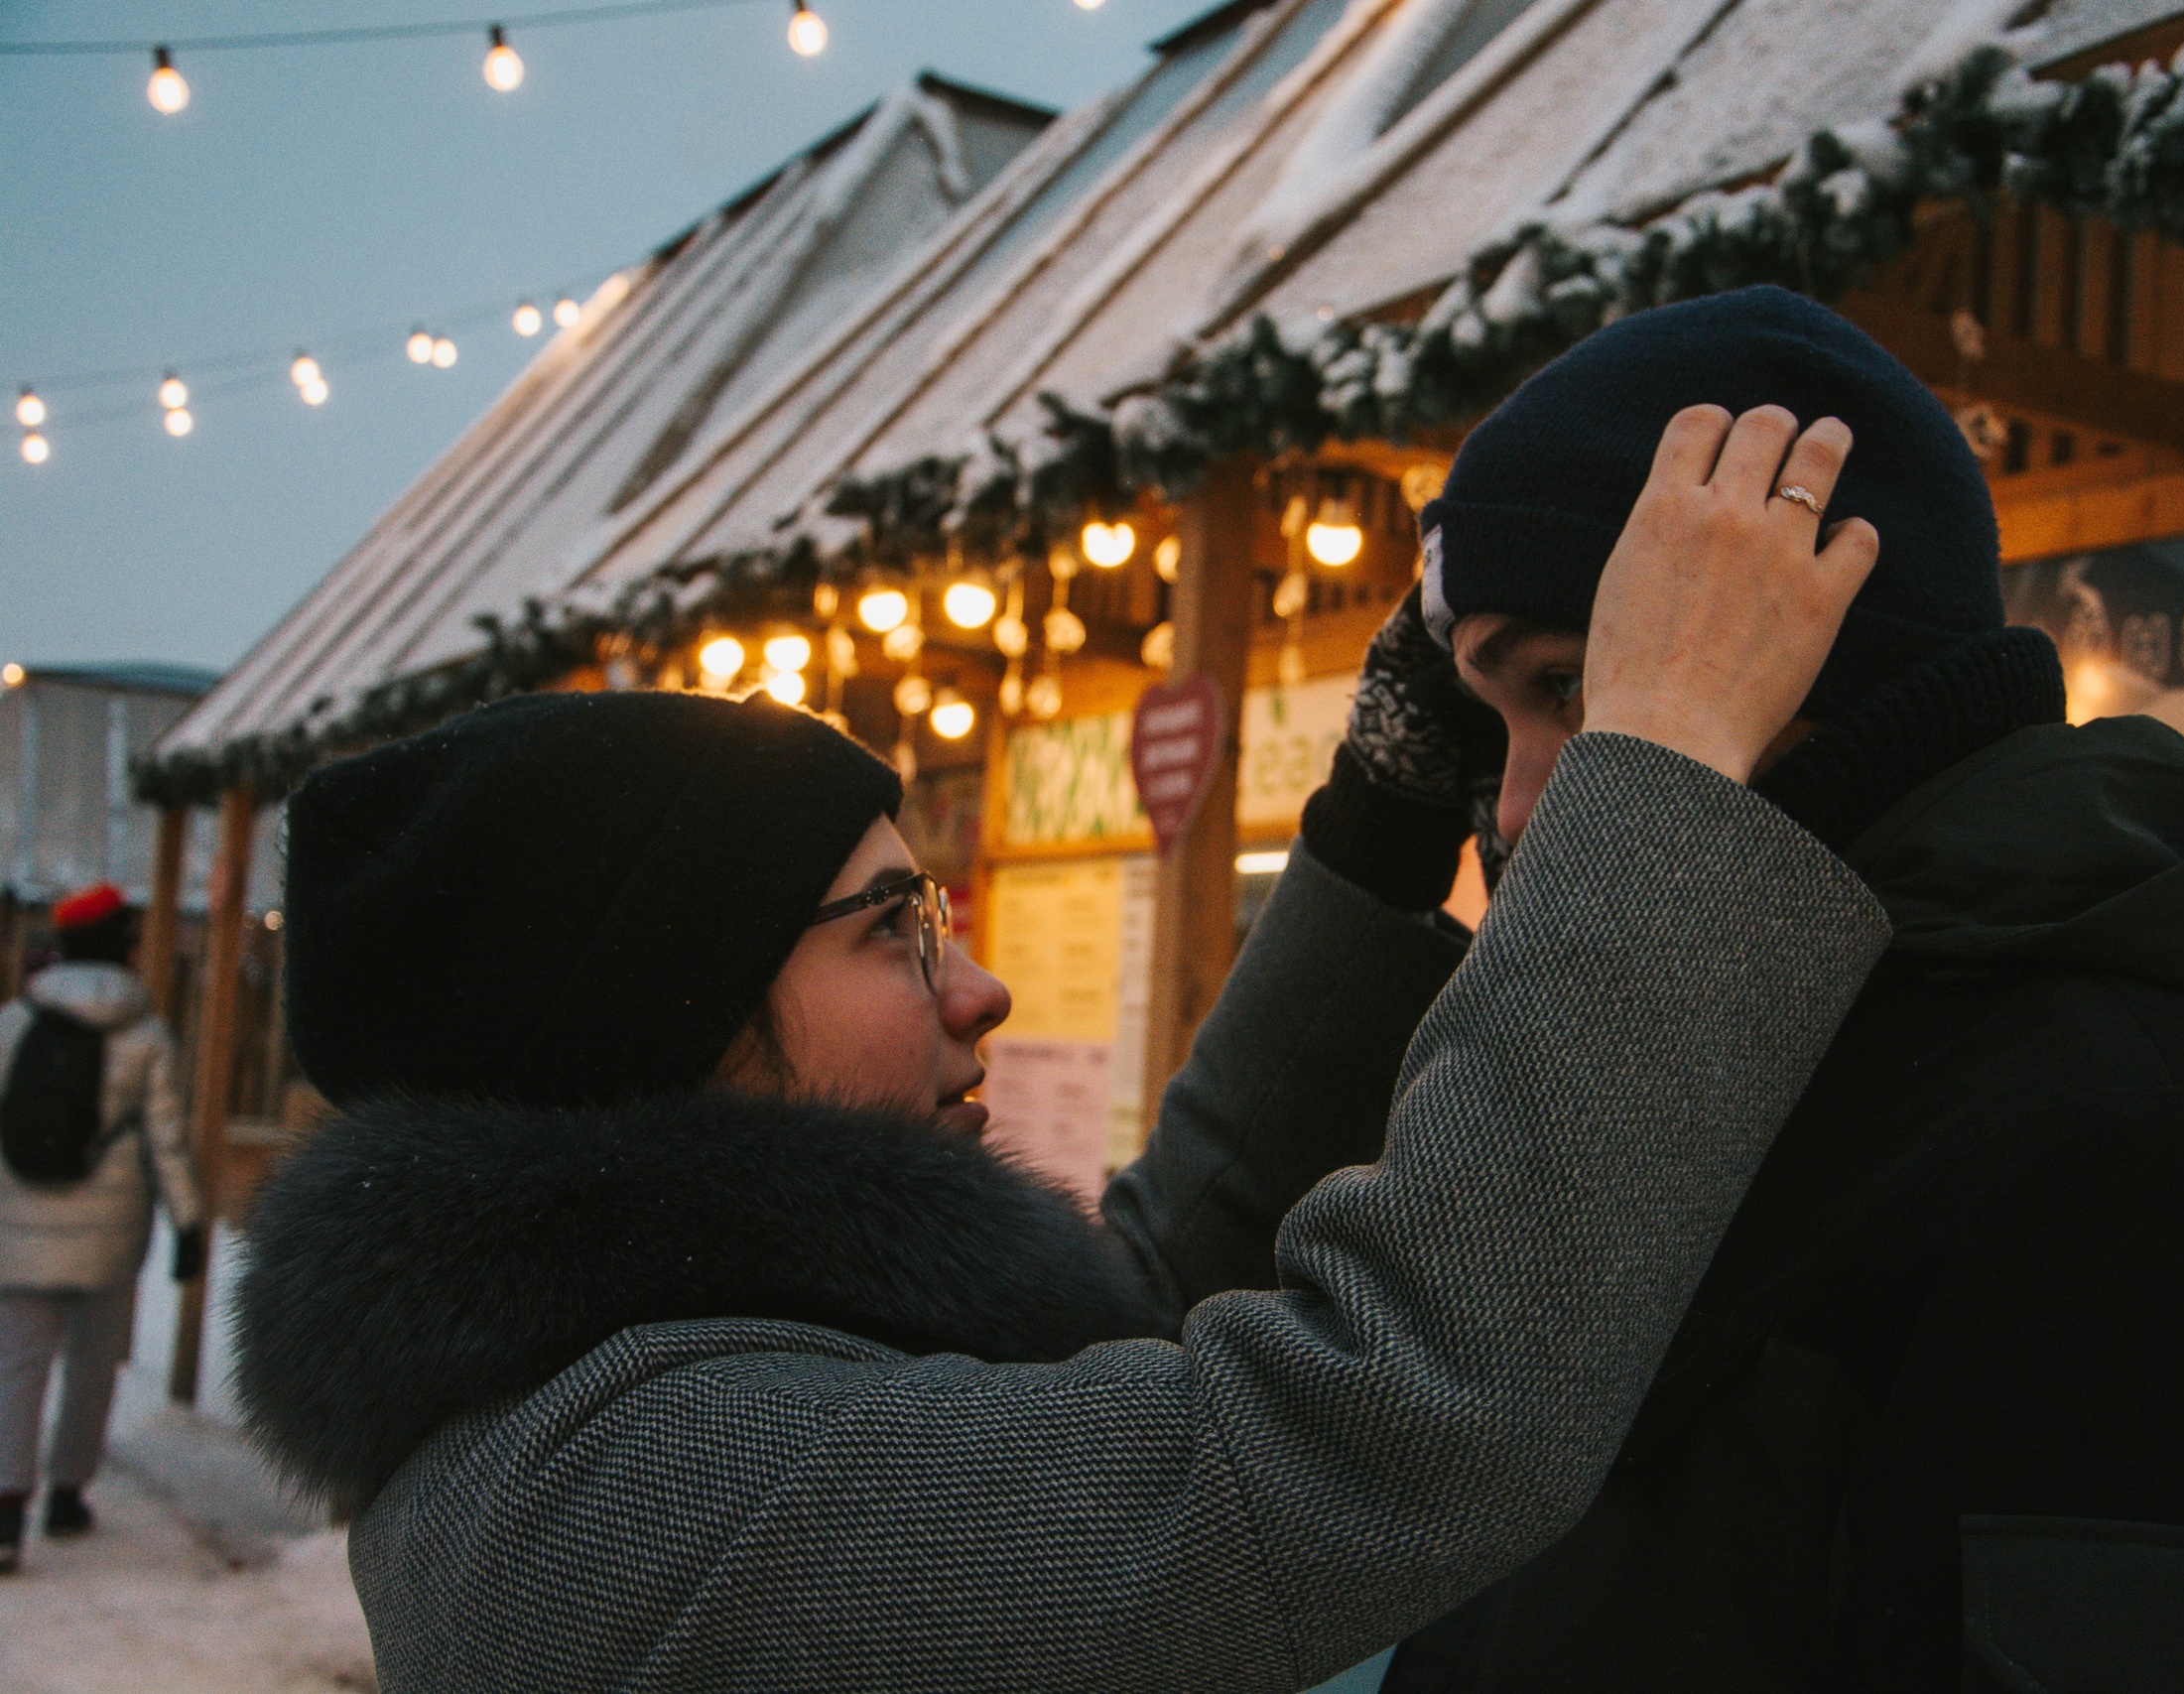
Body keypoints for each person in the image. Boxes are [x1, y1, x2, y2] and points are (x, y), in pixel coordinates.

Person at [232, 401, 1892, 1694]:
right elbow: (1367, 1430)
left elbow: (1136, 1285)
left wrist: (1381, 822)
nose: (981, 995)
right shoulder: (640, 1493)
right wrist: (1661, 760)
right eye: (893, 929)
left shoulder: (639, 1364)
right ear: (654, 1016)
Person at [1361, 284, 2184, 1693]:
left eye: (1580, 687)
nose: (1523, 802)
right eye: (1500, 716)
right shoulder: (1758, 1061)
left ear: (1820, 654)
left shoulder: (2160, 1156)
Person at [0, 884, 204, 1575]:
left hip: (19, 1222)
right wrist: (187, 1220)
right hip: (111, 1229)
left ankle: (5, 1506)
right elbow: (165, 1139)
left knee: (18, 1364)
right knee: (92, 1364)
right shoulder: (145, 1034)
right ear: (121, 946)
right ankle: (65, 1494)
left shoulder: (12, 1023)